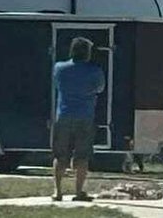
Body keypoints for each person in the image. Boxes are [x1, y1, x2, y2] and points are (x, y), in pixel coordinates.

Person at [51, 37, 105, 202]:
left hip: (63, 116)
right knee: (82, 156)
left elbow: (57, 85)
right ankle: (78, 192)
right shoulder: (95, 71)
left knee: (60, 155)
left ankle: (57, 191)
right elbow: (100, 88)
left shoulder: (59, 68)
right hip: (85, 117)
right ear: (87, 53)